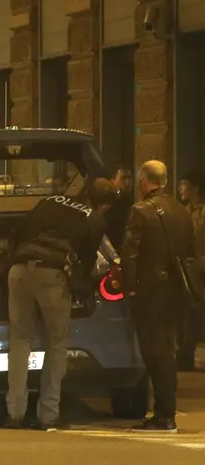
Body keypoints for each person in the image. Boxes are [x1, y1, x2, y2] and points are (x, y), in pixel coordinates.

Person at [5, 178, 117, 430]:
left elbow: (19, 233)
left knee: (20, 340)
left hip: (19, 270)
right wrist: (79, 289)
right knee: (56, 343)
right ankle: (48, 414)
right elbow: (86, 263)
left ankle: (14, 413)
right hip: (52, 274)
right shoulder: (95, 219)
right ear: (105, 206)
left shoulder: (48, 201)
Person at [121, 160, 196, 433]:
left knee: (155, 353)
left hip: (150, 291)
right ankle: (166, 412)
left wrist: (128, 287)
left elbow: (130, 254)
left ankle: (164, 416)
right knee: (168, 351)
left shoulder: (140, 211)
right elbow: (191, 251)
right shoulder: (181, 211)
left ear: (143, 179)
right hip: (175, 290)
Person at [177, 170, 205, 371]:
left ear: (195, 187)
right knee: (189, 314)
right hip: (190, 270)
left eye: (184, 183)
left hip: (200, 270)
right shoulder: (185, 211)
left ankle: (186, 355)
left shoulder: (202, 212)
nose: (180, 188)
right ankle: (185, 355)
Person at [104, 164, 135, 250]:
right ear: (112, 180)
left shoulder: (133, 200)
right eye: (123, 178)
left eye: (129, 178)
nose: (128, 182)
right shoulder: (107, 200)